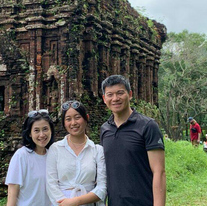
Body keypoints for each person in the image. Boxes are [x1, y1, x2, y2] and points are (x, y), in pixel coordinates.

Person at [100, 75, 166, 206]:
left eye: (120, 93)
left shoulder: (147, 126)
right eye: (110, 94)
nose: (115, 99)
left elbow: (159, 172)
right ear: (104, 99)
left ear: (130, 94)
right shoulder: (105, 129)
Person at [46, 100, 107, 206]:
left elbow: (102, 187)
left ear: (86, 118)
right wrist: (64, 203)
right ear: (64, 123)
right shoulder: (56, 149)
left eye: (77, 117)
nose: (73, 123)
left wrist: (75, 202)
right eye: (68, 119)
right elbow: (51, 184)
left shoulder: (97, 150)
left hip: (88, 202)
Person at [5, 109, 55, 206]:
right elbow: (12, 194)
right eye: (36, 130)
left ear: (51, 131)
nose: (42, 135)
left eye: (45, 129)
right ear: (29, 133)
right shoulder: (21, 156)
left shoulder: (53, 155)